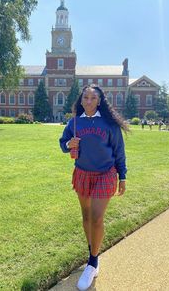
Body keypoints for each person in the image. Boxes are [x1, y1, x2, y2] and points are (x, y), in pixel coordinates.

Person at [59, 84, 129, 290]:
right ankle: (93, 249)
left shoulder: (109, 124)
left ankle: (92, 262)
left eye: (93, 98)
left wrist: (122, 176)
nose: (89, 101)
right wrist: (67, 145)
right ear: (81, 101)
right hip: (82, 173)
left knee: (97, 218)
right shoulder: (74, 123)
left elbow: (119, 151)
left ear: (99, 101)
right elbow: (63, 143)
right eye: (85, 98)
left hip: (105, 174)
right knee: (87, 216)